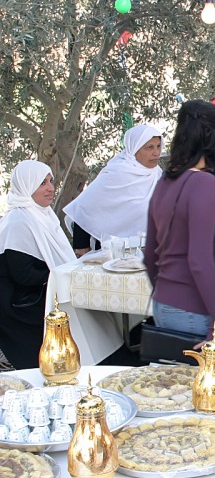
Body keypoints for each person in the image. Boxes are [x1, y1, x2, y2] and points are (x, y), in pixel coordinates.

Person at [143, 100, 215, 346]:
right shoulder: (201, 184)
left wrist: (166, 292)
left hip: (165, 302)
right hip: (196, 308)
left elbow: (149, 256)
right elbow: (199, 260)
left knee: (184, 385)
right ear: (214, 136)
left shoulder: (165, 182)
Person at [0, 161, 76, 369]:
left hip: (37, 293)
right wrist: (60, 275)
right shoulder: (18, 220)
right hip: (19, 304)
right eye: (42, 183)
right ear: (26, 185)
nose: (50, 188)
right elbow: (23, 275)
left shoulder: (43, 215)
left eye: (51, 181)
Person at [63, 124, 162, 255]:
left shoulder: (157, 174)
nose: (156, 152)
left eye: (158, 146)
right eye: (149, 147)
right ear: (134, 148)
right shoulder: (116, 173)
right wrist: (82, 250)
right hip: (111, 253)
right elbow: (84, 208)